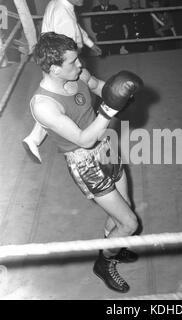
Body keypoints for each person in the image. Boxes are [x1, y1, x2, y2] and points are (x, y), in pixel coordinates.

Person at [30, 31, 143, 293]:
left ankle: (112, 247)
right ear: (55, 68)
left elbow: (99, 87)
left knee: (124, 209)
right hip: (85, 163)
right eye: (72, 62)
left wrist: (119, 92)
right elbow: (83, 139)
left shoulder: (77, 73)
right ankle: (104, 263)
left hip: (107, 145)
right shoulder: (43, 105)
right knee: (129, 223)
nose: (80, 64)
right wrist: (110, 109)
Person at [22, 0, 102, 164]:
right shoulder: (61, 10)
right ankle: (77, 132)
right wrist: (73, 61)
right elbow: (64, 43)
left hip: (60, 61)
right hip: (63, 61)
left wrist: (89, 42)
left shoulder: (60, 4)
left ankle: (33, 139)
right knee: (67, 99)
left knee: (57, 104)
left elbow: (75, 26)